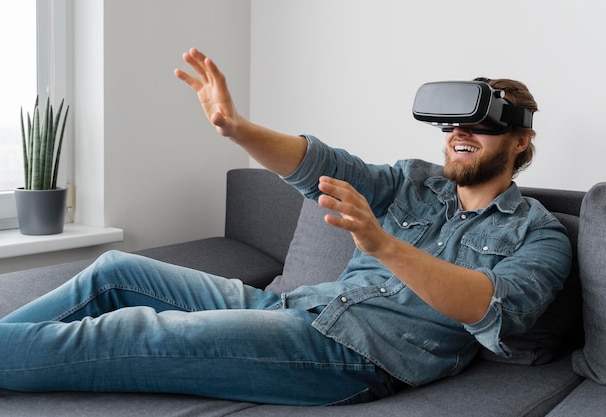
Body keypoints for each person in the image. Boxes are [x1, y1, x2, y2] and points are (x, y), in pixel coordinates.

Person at [0, 48, 571, 406]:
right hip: (295, 307)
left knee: (135, 331)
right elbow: (324, 165)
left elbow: (490, 307)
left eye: (480, 125)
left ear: (520, 141)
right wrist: (237, 128)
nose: (457, 133)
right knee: (114, 271)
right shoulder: (413, 180)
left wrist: (385, 246)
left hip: (354, 358)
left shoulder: (539, 235)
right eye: (451, 123)